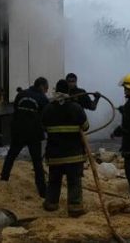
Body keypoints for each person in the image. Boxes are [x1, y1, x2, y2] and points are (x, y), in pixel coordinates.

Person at [41, 79, 89, 217]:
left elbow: (43, 127)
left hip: (55, 155)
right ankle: (74, 208)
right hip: (74, 155)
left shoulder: (48, 109)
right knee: (74, 181)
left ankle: (51, 204)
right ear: (68, 92)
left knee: (54, 180)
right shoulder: (76, 108)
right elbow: (86, 127)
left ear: (56, 91)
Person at [0, 77, 49, 198]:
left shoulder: (21, 95)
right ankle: (42, 191)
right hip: (34, 134)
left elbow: (16, 110)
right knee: (37, 163)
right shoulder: (43, 98)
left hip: (18, 132)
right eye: (46, 89)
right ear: (42, 86)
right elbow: (47, 116)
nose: (46, 91)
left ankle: (3, 180)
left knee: (11, 156)